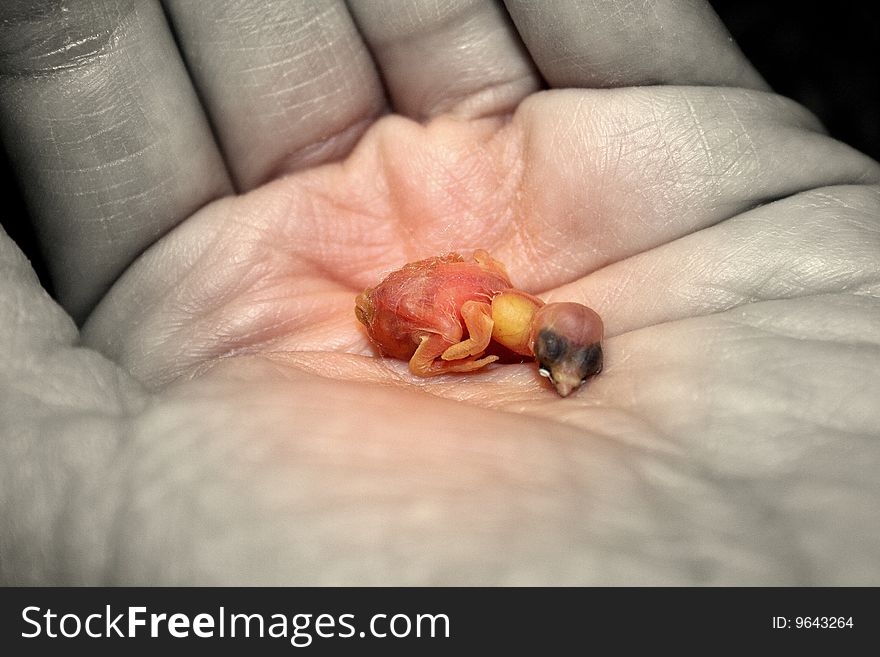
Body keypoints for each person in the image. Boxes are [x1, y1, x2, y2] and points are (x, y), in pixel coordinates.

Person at [1, 0, 877, 585]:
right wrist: (439, 344)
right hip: (437, 304)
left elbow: (477, 328)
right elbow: (452, 337)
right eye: (548, 347)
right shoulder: (477, 309)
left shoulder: (504, 310)